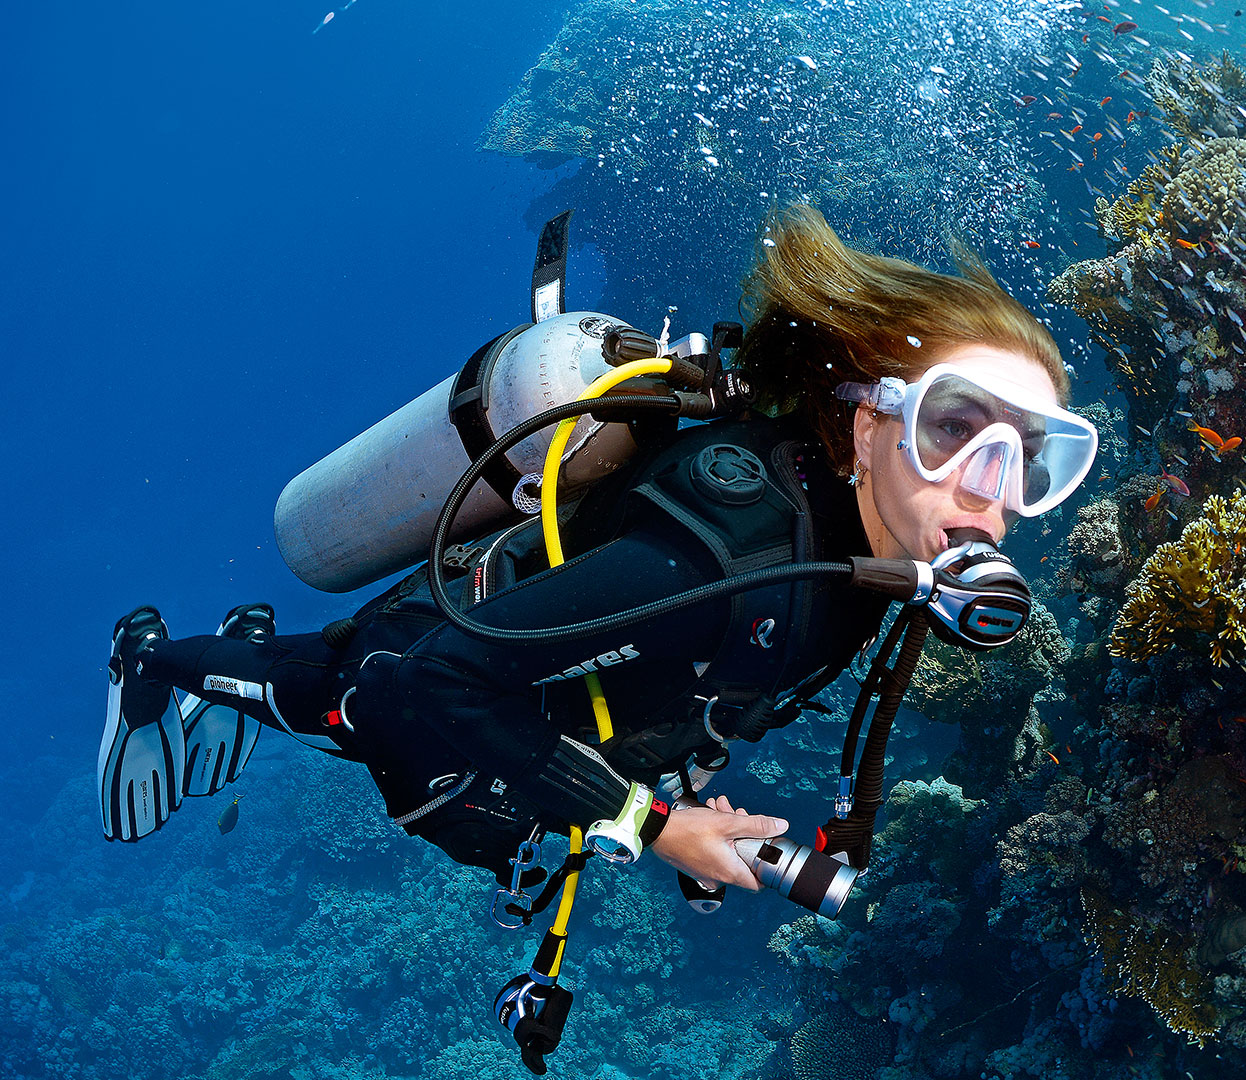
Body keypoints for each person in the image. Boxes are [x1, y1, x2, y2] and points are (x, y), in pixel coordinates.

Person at [97, 205, 1096, 903]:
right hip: (425, 663)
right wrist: (656, 828)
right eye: (956, 428)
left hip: (531, 686)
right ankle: (153, 663)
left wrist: (685, 790)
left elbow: (685, 670)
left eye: (1035, 461)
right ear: (865, 426)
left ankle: (243, 647)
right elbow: (426, 685)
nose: (990, 487)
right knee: (328, 698)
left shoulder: (863, 553)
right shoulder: (728, 568)